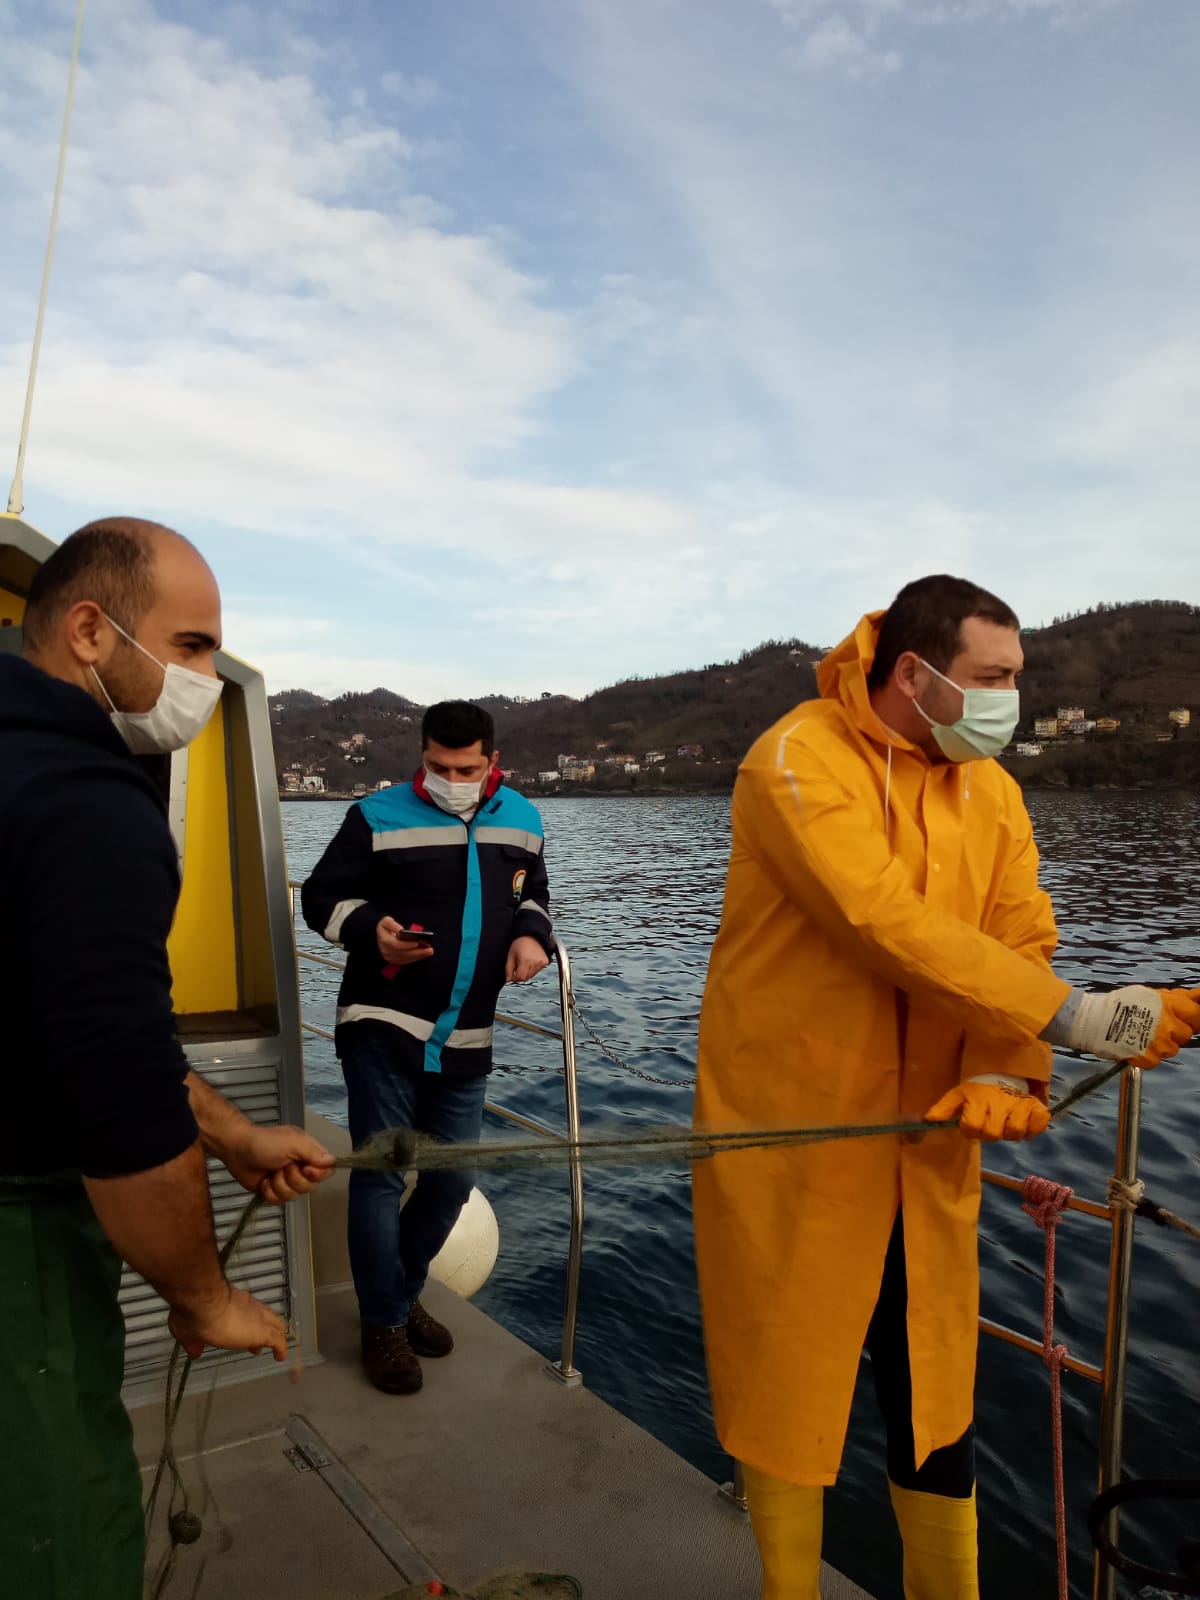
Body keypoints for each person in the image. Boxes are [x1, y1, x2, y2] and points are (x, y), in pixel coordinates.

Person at [691, 574, 1200, 1600]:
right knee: (786, 1387)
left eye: (1017, 675)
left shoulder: (992, 791)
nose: (1013, 697)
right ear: (917, 674)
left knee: (933, 1394)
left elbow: (1017, 935)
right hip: (794, 1138)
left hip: (931, 1141)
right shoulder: (793, 758)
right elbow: (879, 918)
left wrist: (1004, 1066)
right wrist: (1080, 1018)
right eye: (994, 676)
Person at [0, 517, 335, 1600]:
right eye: (191, 646)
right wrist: (202, 1295)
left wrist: (231, 1132)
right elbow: (117, 1088)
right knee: (51, 1517)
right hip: (16, 1232)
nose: (204, 680)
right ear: (90, 631)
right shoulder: (85, 799)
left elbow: (67, 1018)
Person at [301, 699, 553, 1394]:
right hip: (381, 1022)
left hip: (467, 1034)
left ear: (492, 761)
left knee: (451, 1181)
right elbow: (321, 898)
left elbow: (533, 894)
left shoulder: (524, 819)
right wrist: (373, 931)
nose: (452, 780)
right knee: (382, 1178)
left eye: (466, 769)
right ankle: (383, 1324)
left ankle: (400, 1295)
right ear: (422, 755)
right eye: (439, 767)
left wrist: (533, 935)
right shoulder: (375, 816)